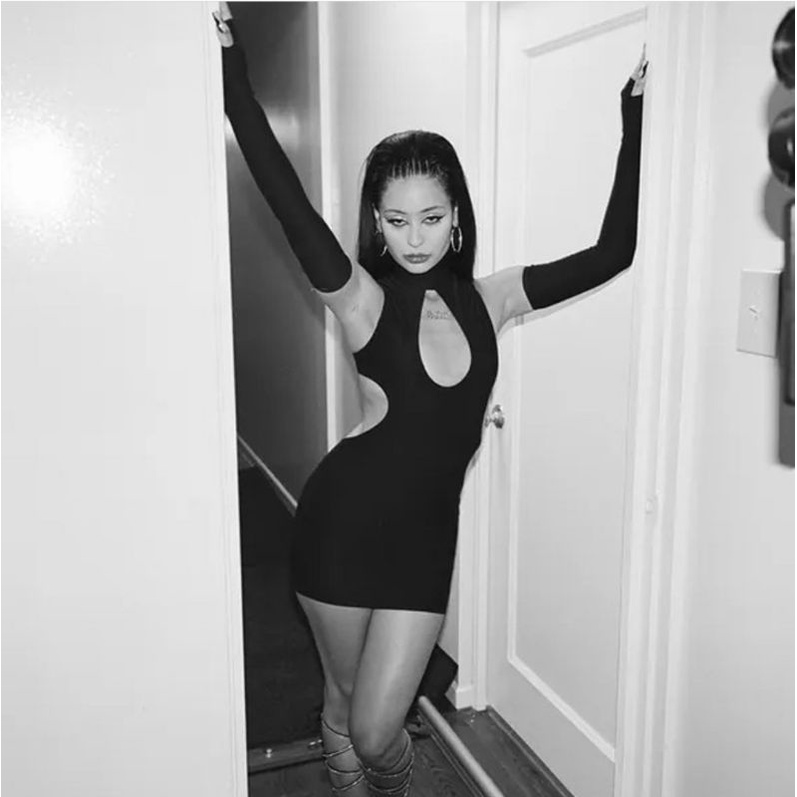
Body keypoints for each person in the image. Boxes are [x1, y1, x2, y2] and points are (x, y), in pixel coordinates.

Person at [214, 4, 646, 795]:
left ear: (456, 220)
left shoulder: (495, 297)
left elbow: (612, 251)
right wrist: (229, 59)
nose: (414, 237)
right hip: (337, 532)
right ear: (377, 224)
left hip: (423, 543)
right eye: (396, 220)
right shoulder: (360, 299)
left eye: (432, 218)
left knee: (379, 729)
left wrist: (635, 118)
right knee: (343, 704)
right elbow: (281, 190)